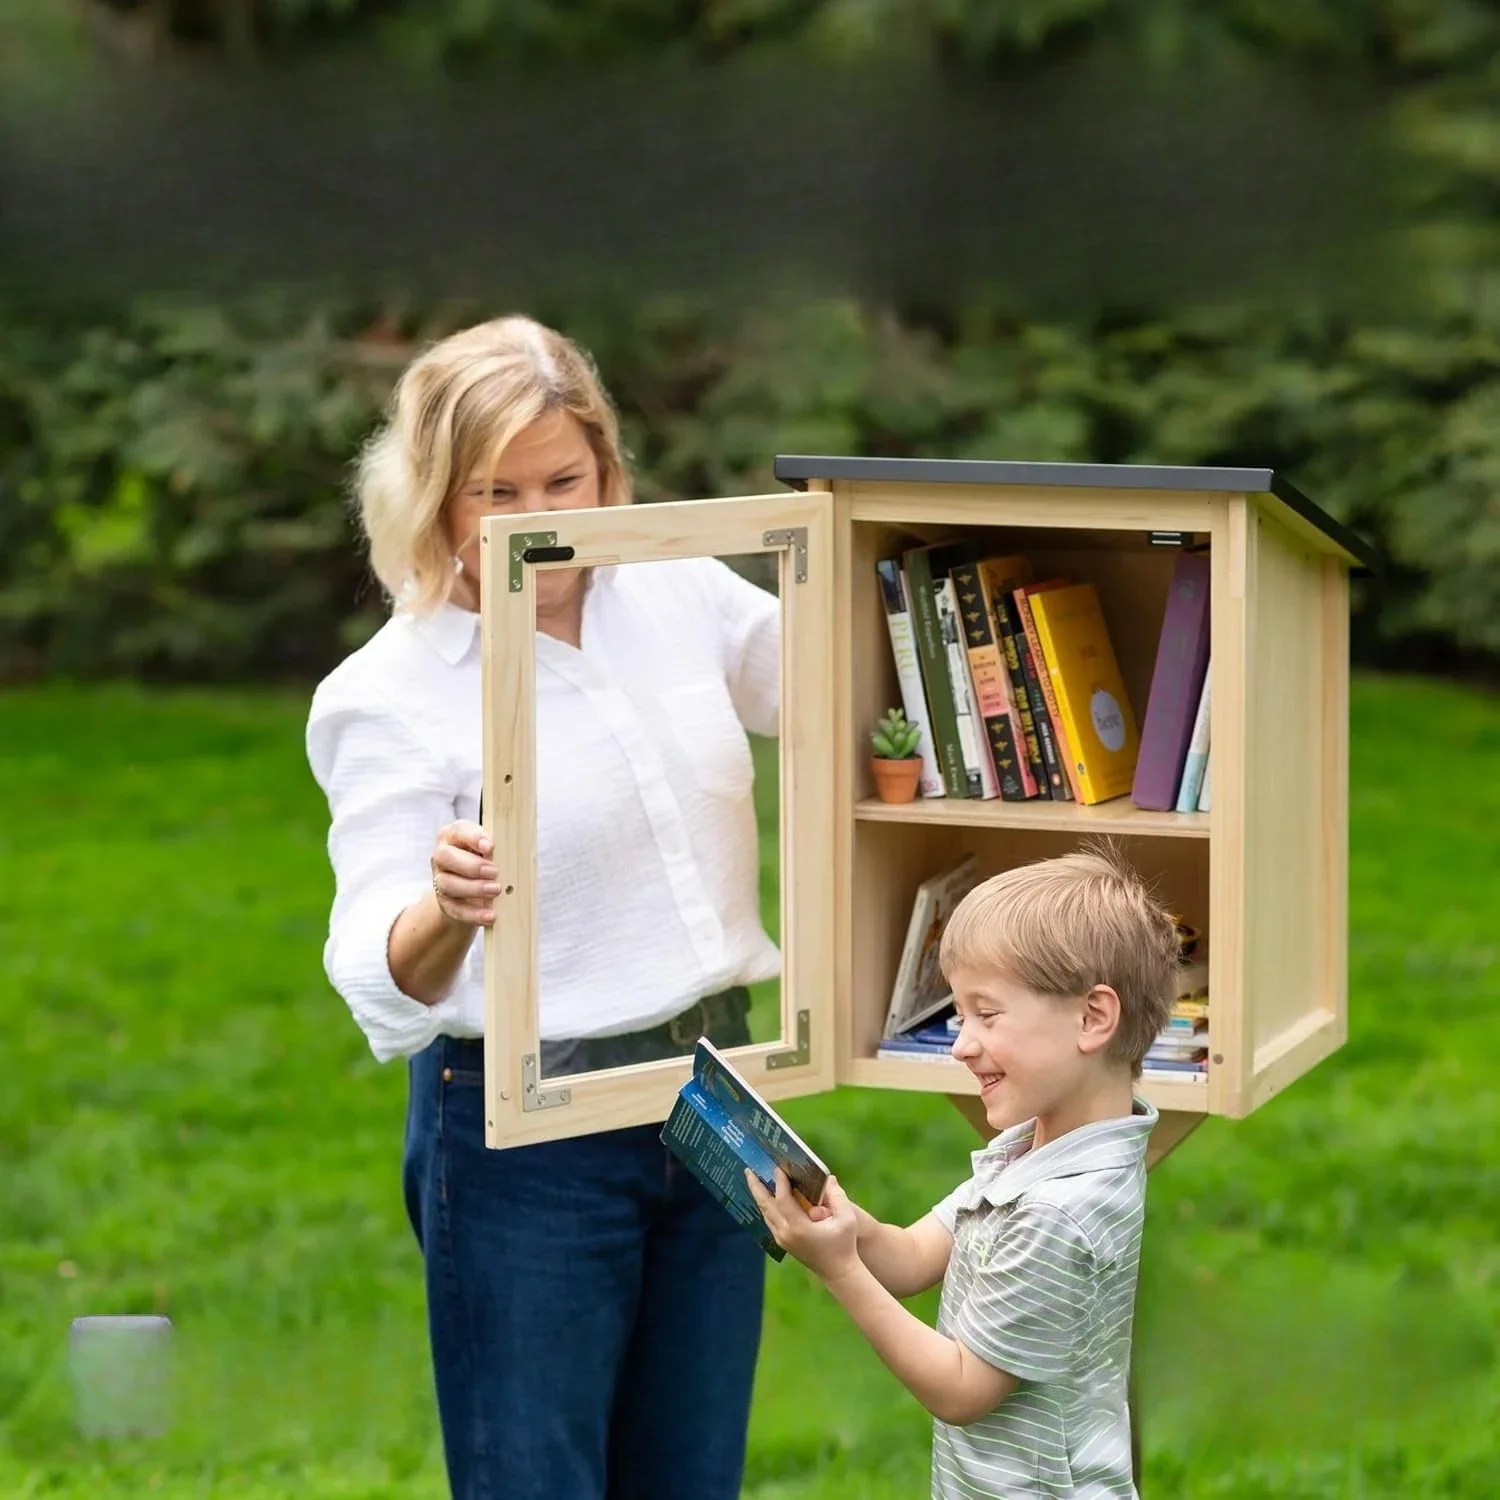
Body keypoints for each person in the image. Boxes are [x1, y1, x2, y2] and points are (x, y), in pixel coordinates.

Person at [304, 315, 783, 1500]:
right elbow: (374, 963)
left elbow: (829, 688)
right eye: (496, 492)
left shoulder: (676, 585)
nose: (539, 516)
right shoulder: (388, 692)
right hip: (528, 1135)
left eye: (563, 481)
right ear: (436, 503)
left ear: (608, 470)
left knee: (691, 1477)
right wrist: (446, 905)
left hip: (715, 1100)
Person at [748, 841, 1177, 1499]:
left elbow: (961, 1389)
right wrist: (846, 1223)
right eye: (960, 1014)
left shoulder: (1061, 1212)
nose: (961, 1044)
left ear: (1092, 1018)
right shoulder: (1029, 1150)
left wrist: (838, 1270)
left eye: (987, 1014)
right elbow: (913, 1257)